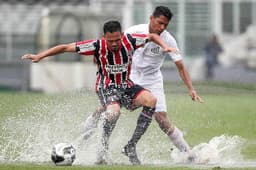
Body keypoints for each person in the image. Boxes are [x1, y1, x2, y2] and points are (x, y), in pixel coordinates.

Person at [21, 20, 179, 165]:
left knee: (151, 100)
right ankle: (103, 148)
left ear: (122, 35)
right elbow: (64, 47)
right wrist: (40, 56)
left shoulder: (130, 40)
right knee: (113, 113)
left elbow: (152, 36)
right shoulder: (96, 45)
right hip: (106, 86)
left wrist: (164, 46)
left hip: (126, 85)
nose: (115, 44)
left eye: (117, 39)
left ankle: (131, 146)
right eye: (111, 41)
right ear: (104, 37)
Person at [82, 6, 203, 165]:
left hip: (153, 79)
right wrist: (100, 59)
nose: (162, 27)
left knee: (162, 119)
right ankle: (87, 130)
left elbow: (180, 66)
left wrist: (191, 89)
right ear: (151, 18)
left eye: (165, 25)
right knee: (110, 107)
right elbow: (111, 43)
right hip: (130, 75)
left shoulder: (169, 40)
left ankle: (188, 153)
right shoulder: (134, 31)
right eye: (159, 23)